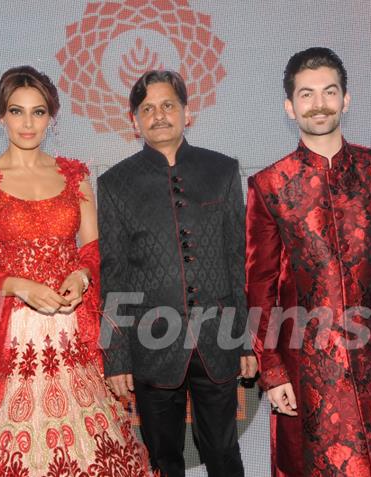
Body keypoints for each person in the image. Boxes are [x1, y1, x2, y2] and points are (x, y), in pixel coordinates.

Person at [246, 47, 371, 476]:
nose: (320, 104)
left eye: (329, 92)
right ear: (289, 107)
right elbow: (260, 285)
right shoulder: (270, 185)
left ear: (346, 99)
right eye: (307, 95)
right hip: (307, 373)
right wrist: (271, 369)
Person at [0, 65, 151, 476]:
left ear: (52, 116)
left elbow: (95, 250)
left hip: (74, 328)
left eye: (38, 112)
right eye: (17, 111)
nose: (28, 123)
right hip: (16, 335)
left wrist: (81, 276)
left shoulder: (73, 176)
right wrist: (16, 284)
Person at [98, 70, 258, 477]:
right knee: (164, 461)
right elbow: (113, 274)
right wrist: (116, 356)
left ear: (187, 113)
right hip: (151, 347)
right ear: (134, 121)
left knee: (224, 454)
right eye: (147, 109)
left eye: (168, 105)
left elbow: (238, 260)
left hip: (218, 340)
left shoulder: (221, 171)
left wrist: (246, 341)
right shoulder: (115, 184)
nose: (159, 115)